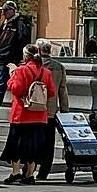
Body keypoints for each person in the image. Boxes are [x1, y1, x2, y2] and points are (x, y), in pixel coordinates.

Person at [0, 43, 56, 183]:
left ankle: (16, 172)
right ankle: (30, 174)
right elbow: (52, 92)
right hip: (39, 114)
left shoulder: (21, 70)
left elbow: (16, 89)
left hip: (21, 114)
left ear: (25, 56)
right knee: (33, 146)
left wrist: (12, 74)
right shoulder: (46, 72)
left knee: (15, 144)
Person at [0, 0, 31, 121]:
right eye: (3, 11)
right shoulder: (4, 23)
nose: (3, 13)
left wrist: (19, 59)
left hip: (6, 60)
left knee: (0, 87)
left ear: (13, 10)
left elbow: (23, 41)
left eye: (6, 10)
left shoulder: (19, 24)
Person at [38, 43, 70, 180]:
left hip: (36, 109)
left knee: (35, 140)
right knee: (49, 142)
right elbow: (63, 90)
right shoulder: (59, 66)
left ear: (39, 51)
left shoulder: (36, 66)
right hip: (51, 110)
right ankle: (44, 171)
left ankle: (29, 169)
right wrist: (64, 109)